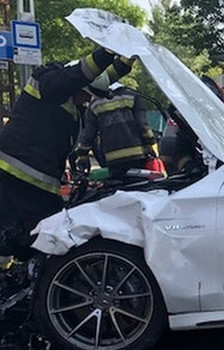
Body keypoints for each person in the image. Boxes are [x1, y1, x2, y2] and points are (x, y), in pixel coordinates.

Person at [0, 48, 134, 262]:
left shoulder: (70, 98)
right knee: (32, 234)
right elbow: (81, 74)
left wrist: (128, 58)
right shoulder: (52, 84)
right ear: (77, 86)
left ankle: (21, 278)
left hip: (38, 181)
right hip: (16, 175)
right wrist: (107, 51)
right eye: (86, 95)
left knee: (38, 236)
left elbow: (101, 79)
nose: (87, 100)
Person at [74, 84, 159, 178]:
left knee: (119, 188)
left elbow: (88, 134)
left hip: (113, 159)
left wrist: (82, 154)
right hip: (137, 156)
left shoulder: (95, 103)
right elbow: (143, 125)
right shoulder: (133, 97)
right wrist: (152, 143)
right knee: (138, 188)